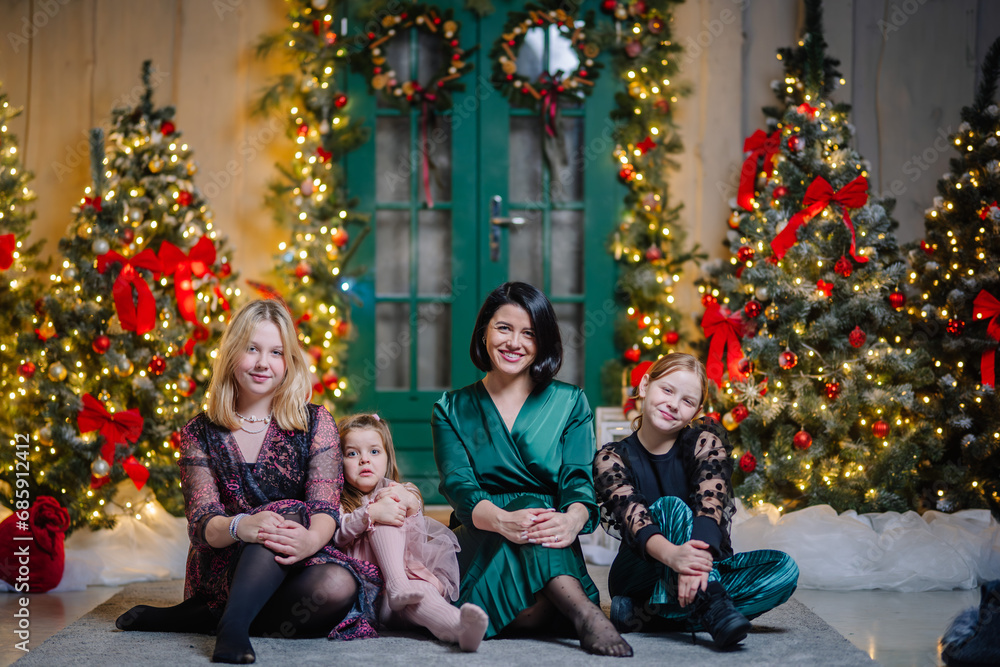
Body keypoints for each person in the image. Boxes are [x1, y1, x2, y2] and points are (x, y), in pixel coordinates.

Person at [115, 299, 381, 664]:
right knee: (282, 512)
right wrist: (243, 526)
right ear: (232, 354)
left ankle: (200, 618)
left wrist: (309, 542)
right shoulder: (200, 431)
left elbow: (323, 508)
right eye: (252, 349)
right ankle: (233, 626)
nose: (262, 363)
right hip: (225, 563)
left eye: (276, 352)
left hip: (297, 556)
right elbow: (203, 523)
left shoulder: (316, 422)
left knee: (338, 586)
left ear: (288, 362)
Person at [432, 281, 633, 657]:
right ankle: (585, 614)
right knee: (524, 508)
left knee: (536, 518)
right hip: (483, 532)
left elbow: (577, 479)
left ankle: (560, 610)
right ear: (484, 332)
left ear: (543, 342)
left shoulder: (571, 402)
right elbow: (459, 487)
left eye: (529, 333)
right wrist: (505, 519)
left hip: (550, 534)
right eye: (503, 328)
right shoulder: (450, 408)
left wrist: (572, 520)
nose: (514, 343)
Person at [593, 353, 799, 648]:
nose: (674, 404)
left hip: (704, 568)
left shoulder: (706, 444)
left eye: (687, 401)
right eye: (666, 390)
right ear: (644, 386)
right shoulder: (611, 458)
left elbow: (710, 505)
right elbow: (633, 517)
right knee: (670, 507)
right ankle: (713, 603)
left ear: (697, 411)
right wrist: (674, 557)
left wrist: (695, 564)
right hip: (641, 573)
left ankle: (648, 616)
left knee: (784, 569)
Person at [334, 413, 489, 651]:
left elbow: (415, 507)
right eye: (352, 453)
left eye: (374, 452)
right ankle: (397, 583)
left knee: (424, 594)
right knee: (385, 507)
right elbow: (338, 534)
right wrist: (371, 513)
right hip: (369, 597)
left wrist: (407, 499)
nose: (364, 460)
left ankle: (458, 629)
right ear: (338, 461)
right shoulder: (340, 503)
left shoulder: (399, 490)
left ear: (388, 457)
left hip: (403, 594)